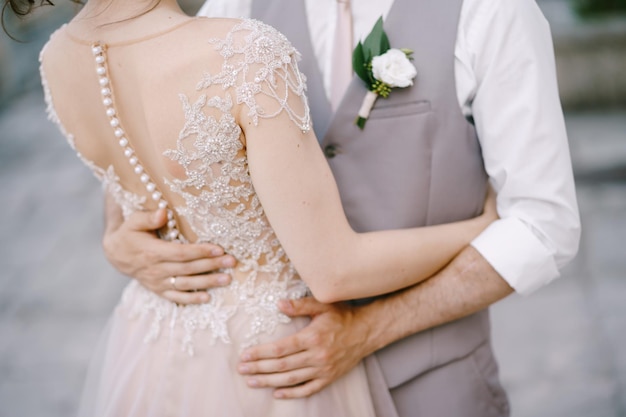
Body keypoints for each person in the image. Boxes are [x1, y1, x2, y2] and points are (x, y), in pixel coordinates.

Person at [102, 0, 582, 416]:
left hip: (435, 383)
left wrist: (368, 330)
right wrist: (118, 234)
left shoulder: (491, 10)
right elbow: (154, 122)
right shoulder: (240, 5)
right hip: (282, 395)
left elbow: (544, 225)